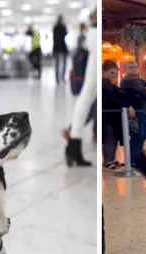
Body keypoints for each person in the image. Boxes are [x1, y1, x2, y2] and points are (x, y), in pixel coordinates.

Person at [64, 9, 96, 166]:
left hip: (95, 37)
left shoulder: (88, 36)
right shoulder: (91, 35)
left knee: (87, 98)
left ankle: (73, 145)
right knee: (87, 96)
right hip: (95, 38)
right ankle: (73, 145)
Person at [102, 59, 134, 169]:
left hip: (115, 117)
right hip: (107, 117)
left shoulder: (112, 85)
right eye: (111, 73)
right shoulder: (104, 84)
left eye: (116, 73)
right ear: (104, 73)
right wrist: (126, 106)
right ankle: (107, 161)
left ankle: (113, 159)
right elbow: (111, 99)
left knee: (114, 138)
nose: (114, 75)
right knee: (109, 138)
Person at [120, 61, 146, 162]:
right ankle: (133, 160)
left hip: (145, 113)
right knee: (138, 137)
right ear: (125, 69)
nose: (134, 69)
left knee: (143, 135)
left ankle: (135, 157)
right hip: (137, 114)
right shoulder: (127, 80)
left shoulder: (139, 80)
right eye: (130, 67)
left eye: (135, 67)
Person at [52, 15, 68, 84]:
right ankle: (62, 78)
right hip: (62, 47)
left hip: (56, 47)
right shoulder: (63, 27)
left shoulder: (55, 27)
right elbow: (65, 34)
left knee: (57, 64)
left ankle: (57, 79)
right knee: (64, 63)